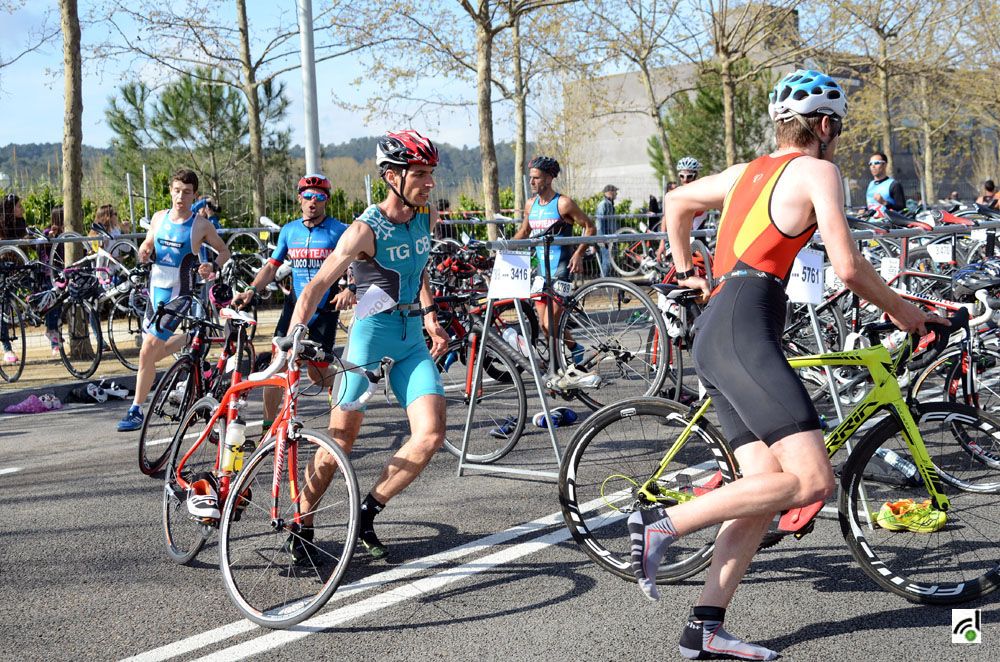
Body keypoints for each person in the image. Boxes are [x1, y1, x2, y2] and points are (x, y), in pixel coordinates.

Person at [633, 69, 940, 661]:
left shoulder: (749, 171)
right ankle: (664, 523)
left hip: (718, 326)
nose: (840, 139)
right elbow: (847, 268)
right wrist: (906, 313)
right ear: (825, 126)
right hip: (746, 325)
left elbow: (675, 201)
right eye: (839, 128)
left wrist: (686, 268)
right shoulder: (819, 170)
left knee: (764, 489)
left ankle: (704, 628)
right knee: (812, 481)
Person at [284, 130, 450, 562]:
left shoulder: (424, 217)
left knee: (430, 434)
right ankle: (302, 518)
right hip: (370, 338)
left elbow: (420, 270)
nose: (429, 182)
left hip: (411, 339)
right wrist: (296, 335)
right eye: (420, 174)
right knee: (338, 444)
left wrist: (431, 317)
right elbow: (317, 285)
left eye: (431, 173)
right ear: (392, 176)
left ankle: (367, 510)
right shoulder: (364, 229)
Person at [232, 174, 351, 435]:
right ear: (299, 199)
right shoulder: (289, 230)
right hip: (294, 304)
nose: (313, 202)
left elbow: (357, 263)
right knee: (279, 363)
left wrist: (349, 288)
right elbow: (272, 267)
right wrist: (251, 290)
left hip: (324, 309)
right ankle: (268, 428)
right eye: (308, 196)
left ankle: (335, 381)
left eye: (319, 197)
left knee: (316, 374)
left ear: (326, 201)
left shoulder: (339, 230)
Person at [117, 169, 231, 432]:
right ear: (170, 190)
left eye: (187, 192)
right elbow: (147, 245)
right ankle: (190, 341)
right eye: (177, 190)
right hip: (155, 291)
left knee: (149, 349)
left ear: (195, 195)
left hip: (181, 293)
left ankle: (136, 409)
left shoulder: (200, 225)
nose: (181, 197)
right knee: (148, 353)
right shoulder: (158, 218)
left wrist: (212, 265)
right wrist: (144, 251)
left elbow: (224, 251)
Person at [512, 156, 596, 355]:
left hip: (561, 270)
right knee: (544, 325)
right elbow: (524, 232)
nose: (532, 182)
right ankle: (575, 349)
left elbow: (590, 227)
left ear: (549, 179)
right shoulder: (531, 205)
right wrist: (503, 249)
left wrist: (579, 253)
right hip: (541, 273)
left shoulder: (563, 203)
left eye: (536, 178)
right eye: (531, 178)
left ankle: (556, 370)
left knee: (550, 324)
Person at [656, 156, 709, 262]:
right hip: (681, 241)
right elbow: (666, 218)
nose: (685, 180)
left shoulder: (702, 191)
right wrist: (662, 243)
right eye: (682, 176)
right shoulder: (676, 194)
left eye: (689, 176)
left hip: (698, 242)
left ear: (696, 176)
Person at [594, 184, 618, 277]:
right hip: (605, 238)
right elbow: (599, 222)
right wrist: (601, 238)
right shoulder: (603, 204)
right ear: (609, 193)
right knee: (606, 261)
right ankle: (603, 281)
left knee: (609, 261)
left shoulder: (609, 204)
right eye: (615, 192)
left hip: (609, 238)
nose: (616, 194)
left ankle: (605, 281)